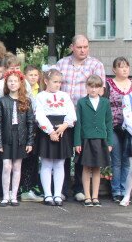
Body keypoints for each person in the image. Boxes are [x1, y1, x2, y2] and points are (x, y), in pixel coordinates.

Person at [56, 35, 105, 202]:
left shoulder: (96, 65)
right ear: (72, 47)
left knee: (81, 153)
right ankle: (61, 189)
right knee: (63, 154)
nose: (83, 50)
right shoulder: (61, 64)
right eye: (79, 47)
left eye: (86, 47)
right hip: (63, 117)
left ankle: (79, 189)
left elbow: (100, 91)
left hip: (85, 118)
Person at [35, 69, 77, 206]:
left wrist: (65, 125)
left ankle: (57, 194)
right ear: (46, 81)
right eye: (55, 82)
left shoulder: (64, 95)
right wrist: (50, 131)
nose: (58, 84)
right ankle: (48, 194)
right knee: (46, 163)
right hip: (47, 130)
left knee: (59, 163)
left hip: (62, 130)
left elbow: (71, 112)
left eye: (60, 82)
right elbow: (39, 115)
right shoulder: (40, 96)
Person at [0, 71, 35, 206]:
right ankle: (5, 195)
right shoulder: (2, 101)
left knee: (17, 166)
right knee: (7, 166)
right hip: (7, 137)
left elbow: (30, 122)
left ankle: (14, 196)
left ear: (20, 83)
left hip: (20, 137)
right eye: (10, 81)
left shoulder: (26, 101)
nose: (12, 83)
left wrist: (30, 141)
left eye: (15, 81)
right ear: (6, 83)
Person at [75, 75, 113, 207]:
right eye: (91, 86)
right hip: (86, 139)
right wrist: (77, 142)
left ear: (101, 88)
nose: (93, 89)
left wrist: (109, 142)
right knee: (86, 167)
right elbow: (78, 124)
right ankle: (87, 196)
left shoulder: (105, 102)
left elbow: (109, 123)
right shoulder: (81, 102)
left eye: (96, 87)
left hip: (101, 139)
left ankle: (95, 196)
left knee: (97, 168)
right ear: (86, 87)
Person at [104, 57, 131, 202]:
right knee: (116, 160)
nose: (125, 69)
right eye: (121, 67)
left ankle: (126, 190)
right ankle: (116, 191)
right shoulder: (108, 84)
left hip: (129, 128)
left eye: (126, 66)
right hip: (113, 126)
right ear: (114, 69)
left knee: (127, 161)